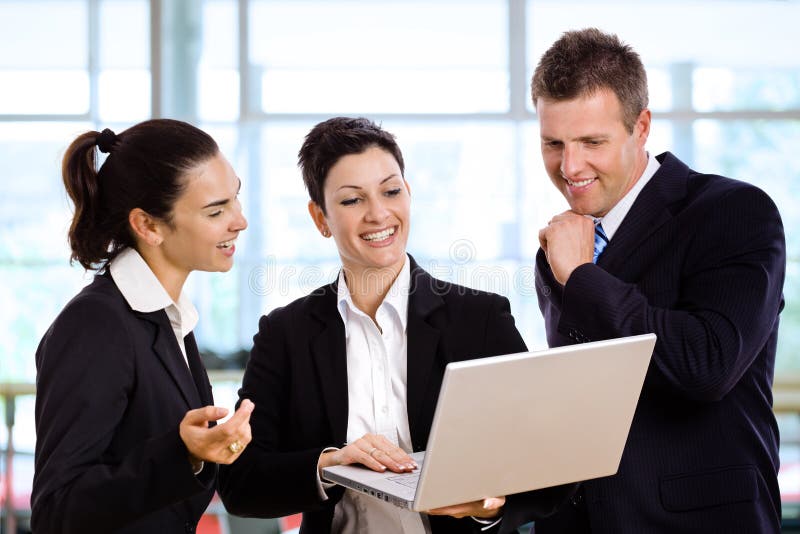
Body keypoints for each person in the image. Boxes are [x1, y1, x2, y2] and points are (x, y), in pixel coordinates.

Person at [218, 117, 572, 533]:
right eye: (352, 200)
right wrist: (327, 465)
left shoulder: (479, 319)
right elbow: (240, 483)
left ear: (409, 194)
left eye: (391, 191)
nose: (379, 213)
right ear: (320, 218)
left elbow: (548, 465)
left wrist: (490, 505)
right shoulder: (286, 334)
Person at [532, 28, 785, 533]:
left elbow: (707, 364)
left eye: (591, 142)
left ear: (641, 127)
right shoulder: (560, 244)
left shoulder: (734, 211)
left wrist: (582, 276)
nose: (569, 166)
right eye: (553, 143)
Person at [32, 119, 255, 534]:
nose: (239, 221)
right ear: (148, 225)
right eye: (216, 210)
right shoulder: (95, 325)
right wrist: (181, 452)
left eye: (235, 199)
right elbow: (56, 511)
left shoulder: (167, 316)